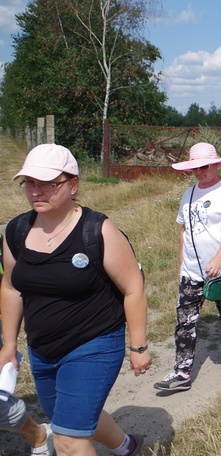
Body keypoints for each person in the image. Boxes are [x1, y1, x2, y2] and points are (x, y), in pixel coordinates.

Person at [0, 143, 148, 456]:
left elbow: (134, 287)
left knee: (67, 439)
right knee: (73, 420)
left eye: (48, 184)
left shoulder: (98, 231)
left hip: (93, 345)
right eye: (30, 183)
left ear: (73, 185)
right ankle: (125, 446)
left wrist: (139, 346)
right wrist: (9, 345)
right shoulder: (16, 231)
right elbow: (11, 287)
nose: (37, 192)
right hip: (42, 350)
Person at [153, 143, 221, 393]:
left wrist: (218, 258)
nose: (199, 171)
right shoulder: (189, 193)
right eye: (195, 167)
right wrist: (181, 262)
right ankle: (182, 372)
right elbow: (184, 230)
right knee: (185, 320)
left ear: (215, 164)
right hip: (192, 270)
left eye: (204, 166)